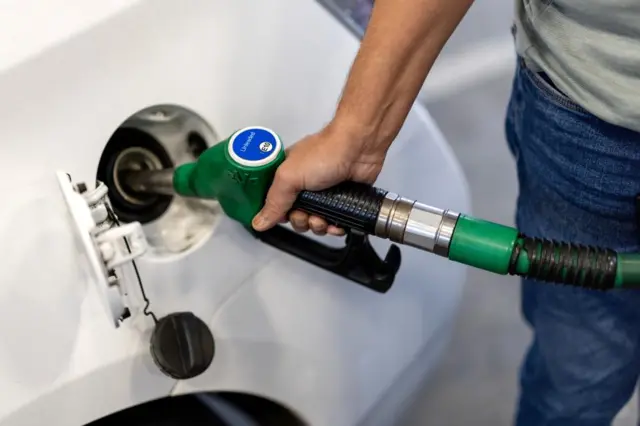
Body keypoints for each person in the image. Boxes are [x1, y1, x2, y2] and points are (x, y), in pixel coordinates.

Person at [252, 1, 640, 424]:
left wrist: (357, 135)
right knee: (581, 366)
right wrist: (357, 136)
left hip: (596, 111)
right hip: (595, 112)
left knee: (580, 365)